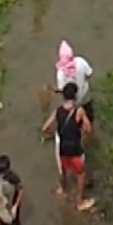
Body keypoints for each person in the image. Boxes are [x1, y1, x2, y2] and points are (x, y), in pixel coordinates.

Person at [43, 81, 95, 211]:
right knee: (81, 174)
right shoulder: (79, 111)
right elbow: (89, 129)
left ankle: (63, 190)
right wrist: (81, 126)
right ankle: (80, 202)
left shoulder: (58, 110)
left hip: (62, 147)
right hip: (74, 147)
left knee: (63, 169)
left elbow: (45, 128)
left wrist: (57, 131)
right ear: (75, 96)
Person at [0, 154, 24, 225]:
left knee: (14, 222)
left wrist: (15, 206)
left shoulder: (14, 177)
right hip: (2, 196)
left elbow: (21, 190)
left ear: (7, 170)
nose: (0, 175)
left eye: (2, 173)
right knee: (2, 222)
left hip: (13, 198)